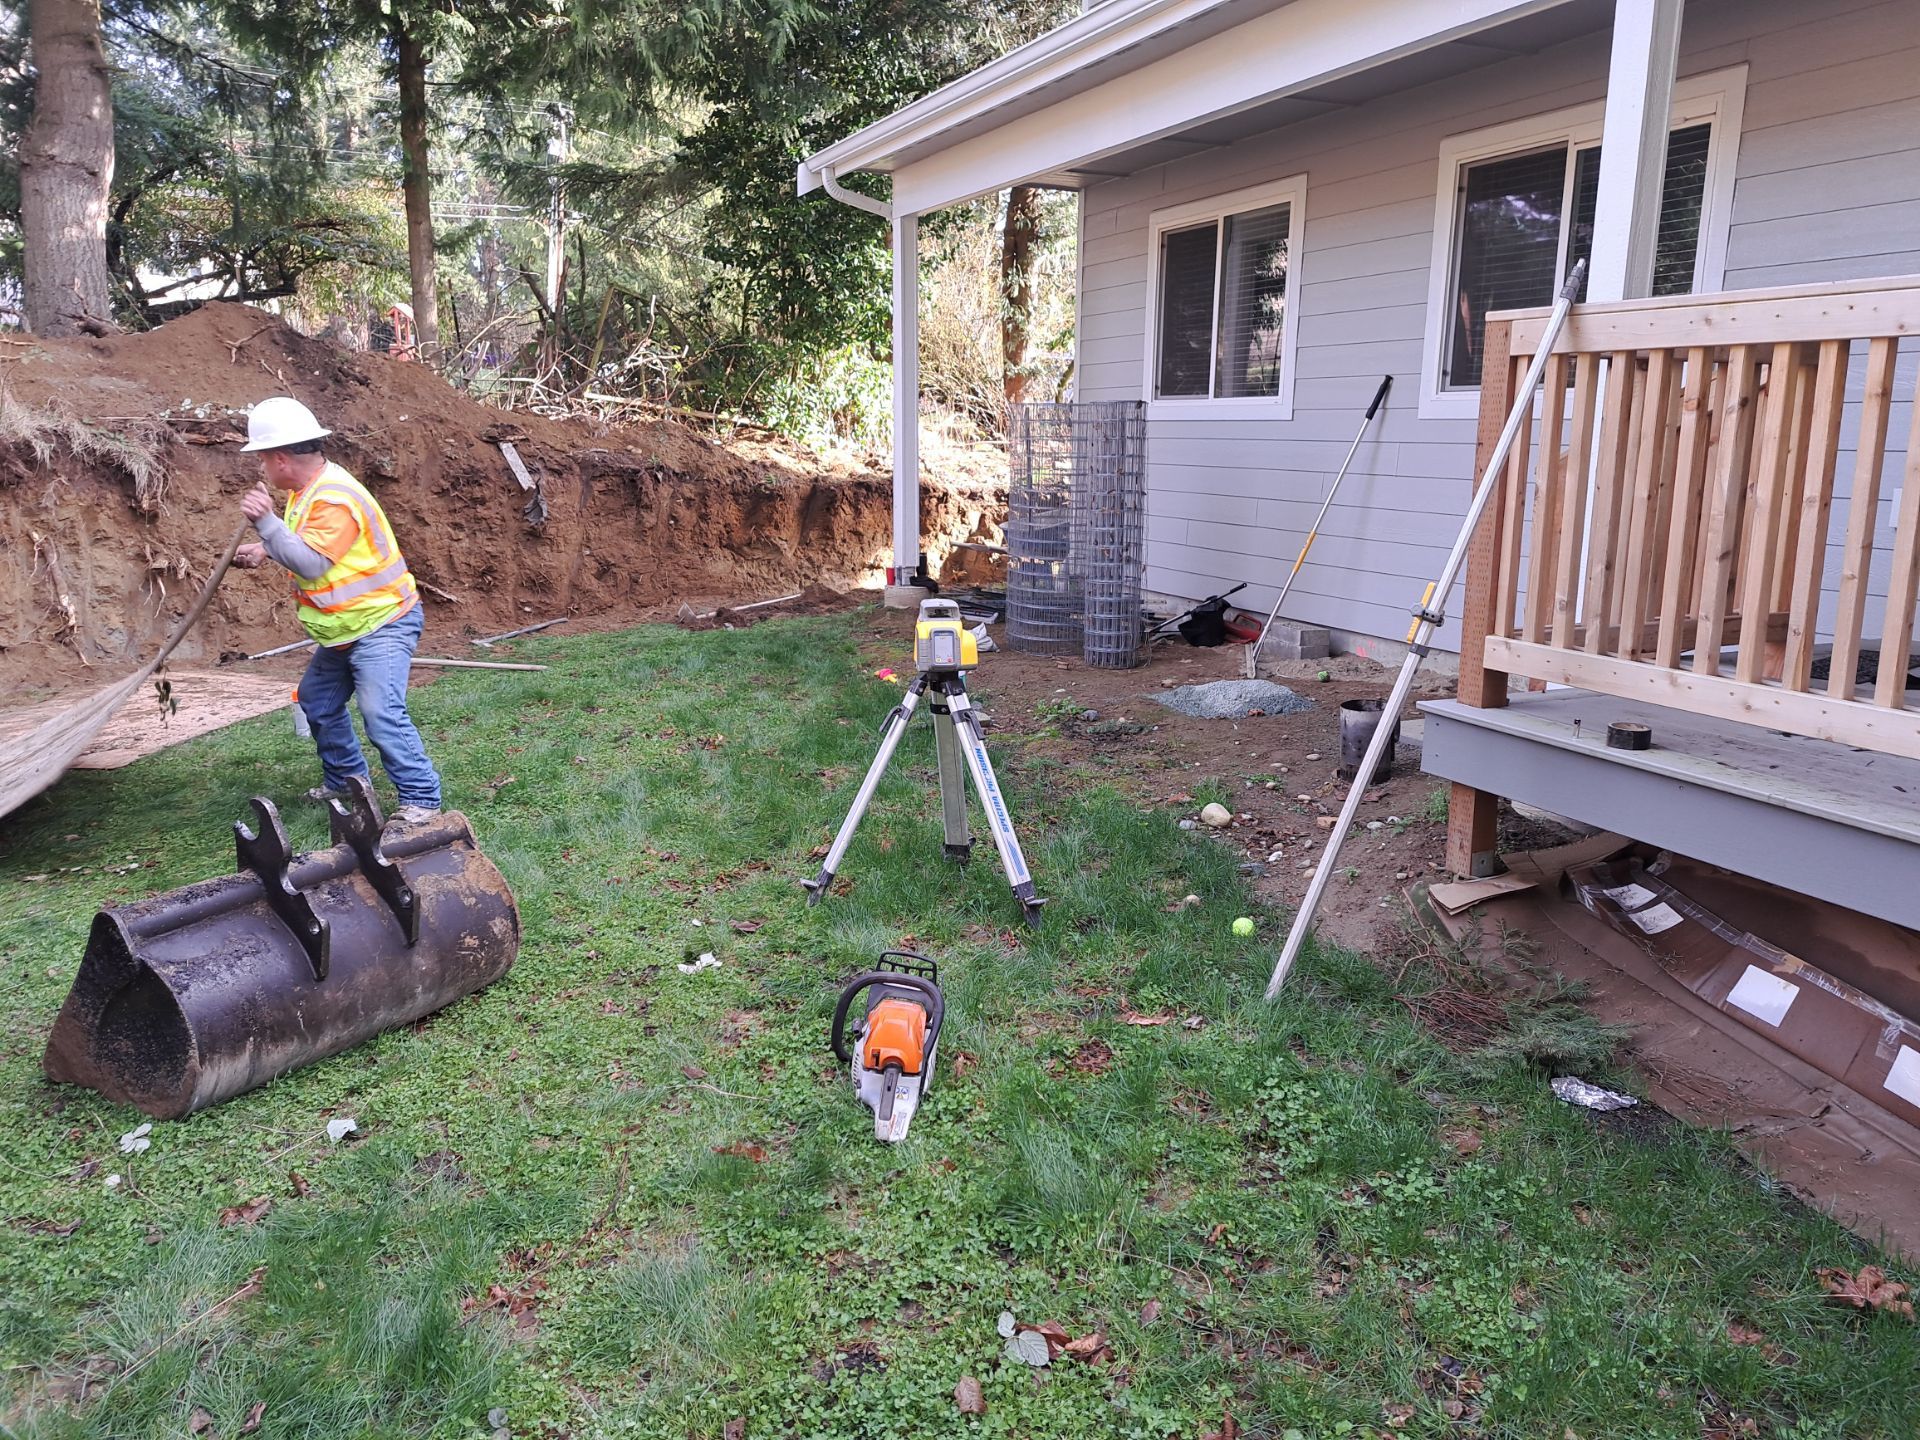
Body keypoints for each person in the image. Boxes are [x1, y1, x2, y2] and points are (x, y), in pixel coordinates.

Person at [233, 396, 443, 823]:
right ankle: (347, 781)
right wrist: (267, 548)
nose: (261, 467)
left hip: (381, 622)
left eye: (263, 458)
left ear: (280, 458)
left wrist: (267, 524)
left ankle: (423, 799)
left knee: (381, 712)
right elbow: (312, 545)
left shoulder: (333, 497)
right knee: (318, 701)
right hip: (346, 628)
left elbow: (312, 563)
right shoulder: (308, 491)